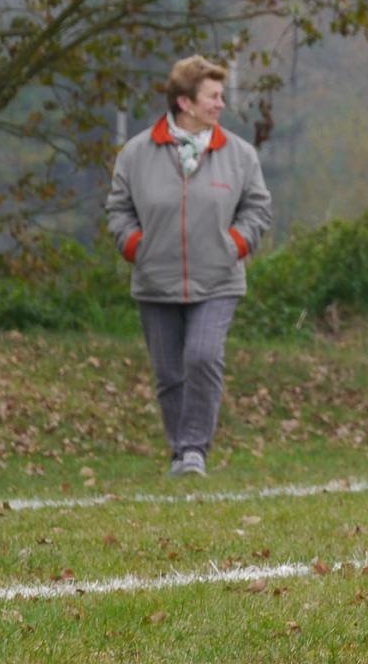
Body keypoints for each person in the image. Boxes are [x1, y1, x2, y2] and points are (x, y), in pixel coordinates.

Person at [106, 56, 272, 478]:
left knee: (202, 356)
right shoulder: (136, 154)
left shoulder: (240, 155)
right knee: (168, 373)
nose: (220, 104)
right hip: (154, 281)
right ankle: (180, 453)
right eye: (212, 96)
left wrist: (234, 244)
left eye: (220, 95)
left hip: (218, 279)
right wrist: (135, 246)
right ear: (185, 102)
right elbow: (119, 209)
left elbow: (257, 209)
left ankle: (194, 449)